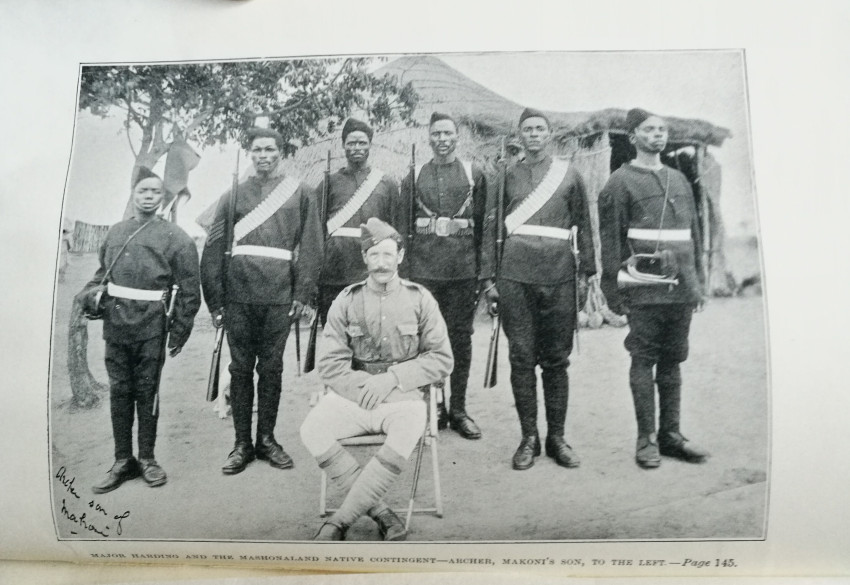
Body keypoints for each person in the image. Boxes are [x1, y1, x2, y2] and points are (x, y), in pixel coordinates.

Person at [300, 218, 453, 541]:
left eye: (388, 254)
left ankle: (339, 522)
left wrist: (392, 379)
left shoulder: (420, 299)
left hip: (402, 398)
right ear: (364, 258)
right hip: (356, 396)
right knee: (311, 428)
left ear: (400, 256)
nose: (381, 263)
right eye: (374, 255)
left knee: (413, 420)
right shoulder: (346, 300)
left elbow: (442, 358)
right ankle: (382, 513)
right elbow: (330, 363)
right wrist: (363, 387)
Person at [201, 127, 322, 475]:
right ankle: (242, 444)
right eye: (257, 150)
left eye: (270, 150)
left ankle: (267, 439)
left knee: (271, 368)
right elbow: (213, 249)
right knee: (240, 368)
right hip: (238, 293)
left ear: (281, 153)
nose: (264, 156)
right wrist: (216, 300)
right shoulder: (233, 194)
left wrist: (302, 294)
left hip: (280, 293)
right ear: (250, 154)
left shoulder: (301, 192)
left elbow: (312, 246)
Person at [481, 107, 595, 471]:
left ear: (550, 134)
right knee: (521, 357)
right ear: (519, 136)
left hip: (560, 274)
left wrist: (587, 274)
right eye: (527, 129)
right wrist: (489, 279)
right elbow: (491, 228)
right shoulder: (505, 176)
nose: (533, 134)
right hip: (515, 275)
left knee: (557, 360)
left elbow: (584, 225)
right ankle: (528, 437)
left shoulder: (570, 175)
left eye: (539, 128)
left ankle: (556, 437)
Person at [598, 108, 709, 469]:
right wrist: (614, 290)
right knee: (644, 358)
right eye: (649, 129)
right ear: (633, 137)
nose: (658, 134)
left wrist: (698, 283)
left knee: (673, 358)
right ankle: (646, 439)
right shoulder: (619, 182)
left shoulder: (679, 179)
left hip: (681, 288)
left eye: (662, 129)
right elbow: (611, 242)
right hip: (643, 286)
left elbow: (694, 234)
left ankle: (671, 435)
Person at [78, 167, 201, 493]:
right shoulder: (117, 232)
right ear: (133, 193)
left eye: (155, 192)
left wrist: (179, 331)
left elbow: (191, 291)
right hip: (116, 325)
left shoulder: (177, 237)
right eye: (143, 190)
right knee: (120, 391)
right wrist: (89, 295)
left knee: (147, 392)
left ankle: (147, 458)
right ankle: (122, 460)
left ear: (163, 197)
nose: (148, 197)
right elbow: (102, 275)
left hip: (152, 326)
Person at [399, 112, 489, 439]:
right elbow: (403, 229)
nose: (442, 139)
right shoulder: (413, 177)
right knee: (426, 340)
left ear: (457, 137)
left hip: (462, 272)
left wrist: (483, 273)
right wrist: (404, 275)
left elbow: (485, 226)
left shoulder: (474, 174)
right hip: (423, 272)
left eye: (448, 133)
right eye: (436, 134)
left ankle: (459, 409)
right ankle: (433, 407)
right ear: (428, 137)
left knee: (460, 339)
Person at [316, 118, 400, 324]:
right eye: (351, 143)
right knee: (334, 328)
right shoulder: (329, 183)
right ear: (343, 146)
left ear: (370, 145)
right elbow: (316, 230)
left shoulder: (386, 183)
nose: (356, 148)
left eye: (362, 143)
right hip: (334, 270)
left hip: (371, 268)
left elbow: (395, 231)